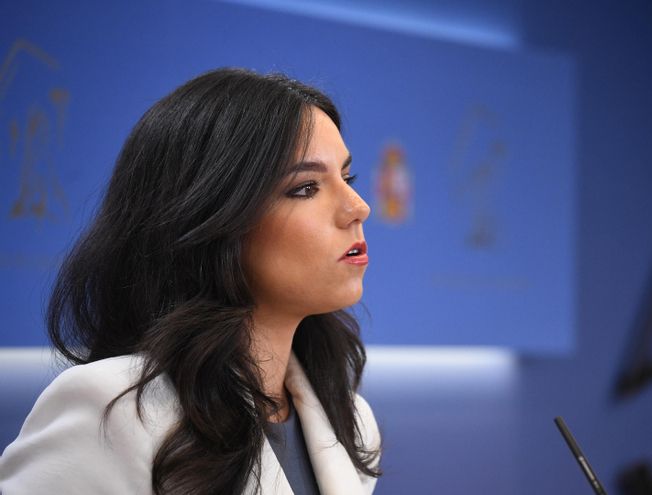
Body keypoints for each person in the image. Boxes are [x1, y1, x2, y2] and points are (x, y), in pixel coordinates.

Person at [0, 68, 381, 495]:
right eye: (305, 187)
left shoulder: (352, 420)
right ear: (212, 217)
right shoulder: (111, 410)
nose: (359, 207)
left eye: (346, 179)